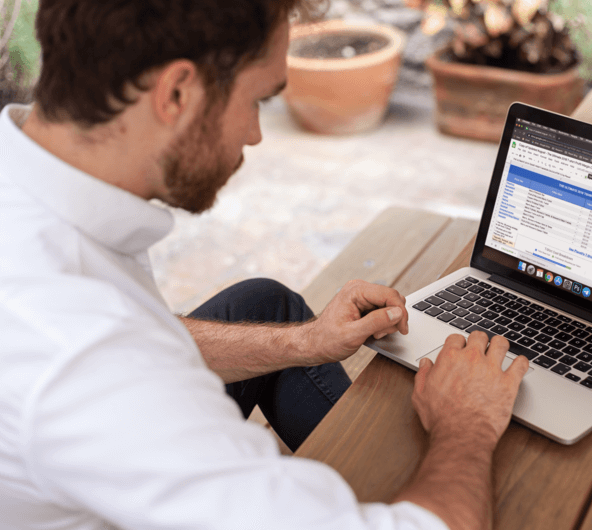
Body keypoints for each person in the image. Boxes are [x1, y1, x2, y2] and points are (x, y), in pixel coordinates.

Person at [0, 1, 529, 529]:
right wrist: (467, 425)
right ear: (176, 93)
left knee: (269, 306)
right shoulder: (84, 355)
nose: (255, 134)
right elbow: (118, 354)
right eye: (257, 100)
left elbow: (148, 335)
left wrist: (307, 343)